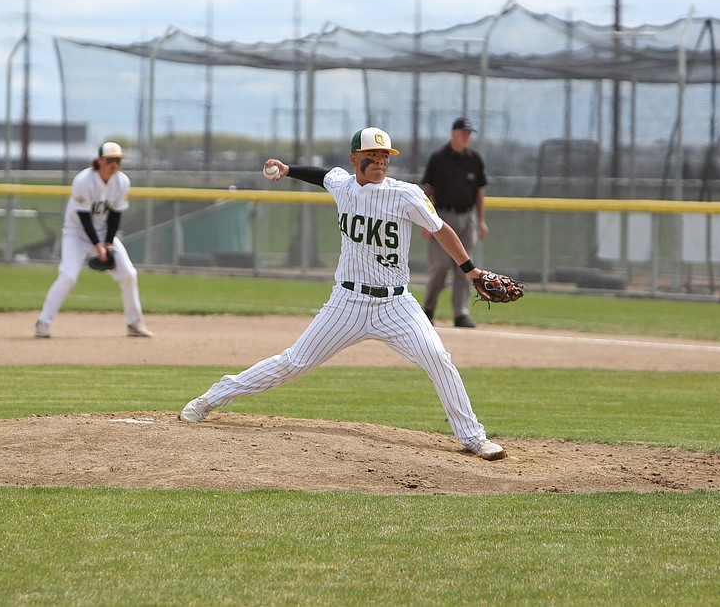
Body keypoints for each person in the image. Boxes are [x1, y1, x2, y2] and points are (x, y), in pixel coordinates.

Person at [179, 126, 506, 460]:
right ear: (355, 160)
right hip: (347, 303)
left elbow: (440, 230)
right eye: (371, 156)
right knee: (293, 362)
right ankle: (210, 399)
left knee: (438, 358)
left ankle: (474, 438)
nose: (380, 162)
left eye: (384, 157)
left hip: (396, 304)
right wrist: (288, 169)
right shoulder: (342, 185)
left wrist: (471, 271)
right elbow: (322, 176)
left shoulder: (405, 194)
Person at [34, 141, 153, 339]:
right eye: (110, 160)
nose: (114, 164)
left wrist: (107, 243)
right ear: (99, 161)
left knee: (129, 274)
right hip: (76, 233)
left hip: (104, 232)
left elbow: (115, 214)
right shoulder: (83, 180)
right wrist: (98, 246)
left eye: (118, 160)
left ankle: (134, 324)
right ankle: (43, 323)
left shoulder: (122, 181)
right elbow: (84, 217)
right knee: (68, 276)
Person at [420, 117, 489, 328]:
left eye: (469, 133)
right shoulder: (438, 158)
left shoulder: (475, 159)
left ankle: (461, 313)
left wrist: (481, 221)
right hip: (440, 216)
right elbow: (427, 190)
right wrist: (425, 220)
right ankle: (428, 310)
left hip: (467, 218)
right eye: (464, 132)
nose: (467, 136)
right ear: (454, 133)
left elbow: (479, 192)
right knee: (440, 266)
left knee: (464, 268)